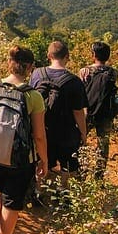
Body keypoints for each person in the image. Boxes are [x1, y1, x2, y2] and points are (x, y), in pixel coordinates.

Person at [0, 46, 48, 234]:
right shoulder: (33, 96)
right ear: (30, 67)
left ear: (9, 63)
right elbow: (38, 135)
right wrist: (43, 159)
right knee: (12, 200)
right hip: (19, 158)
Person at [29, 40, 87, 196]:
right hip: (66, 131)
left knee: (41, 159)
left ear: (49, 56)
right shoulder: (74, 81)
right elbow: (78, 111)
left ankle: (38, 191)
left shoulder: (36, 74)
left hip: (41, 127)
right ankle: (63, 191)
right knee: (68, 163)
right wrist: (83, 133)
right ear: (67, 56)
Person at [79, 41, 118, 179]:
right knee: (103, 144)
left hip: (87, 111)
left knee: (81, 141)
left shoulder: (85, 71)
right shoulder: (114, 72)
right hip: (105, 113)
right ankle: (99, 175)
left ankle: (81, 172)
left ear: (93, 55)